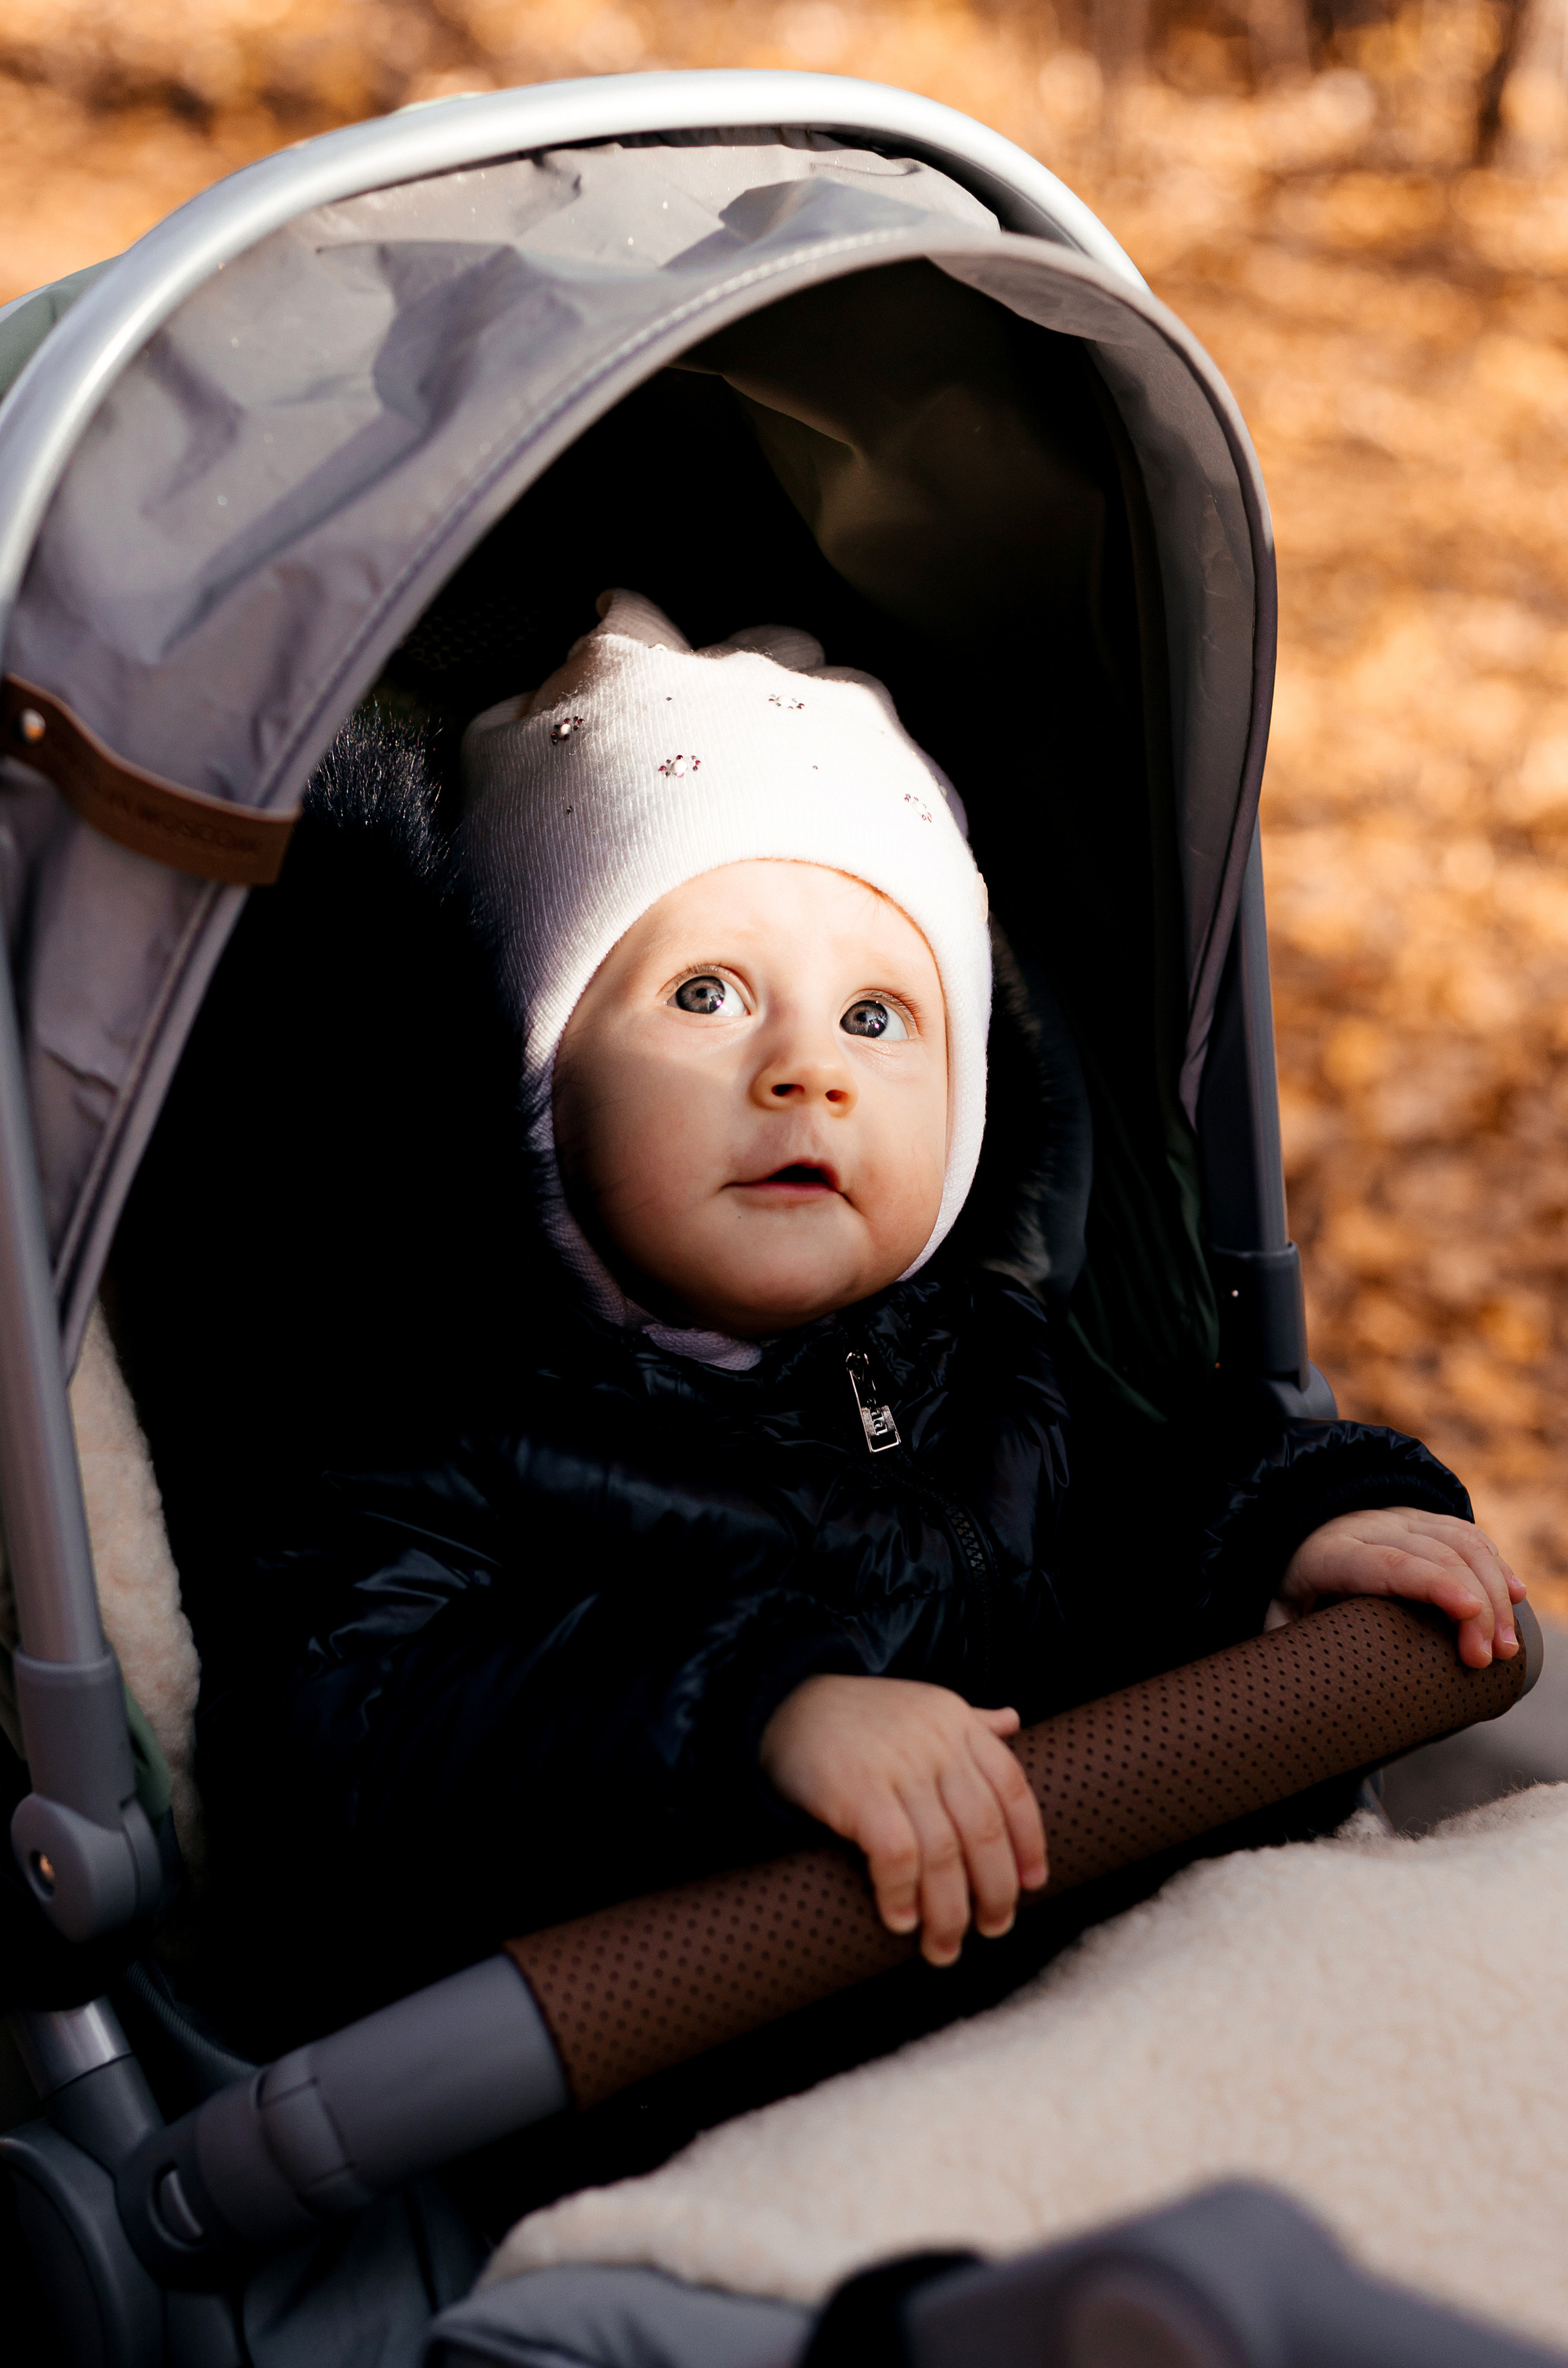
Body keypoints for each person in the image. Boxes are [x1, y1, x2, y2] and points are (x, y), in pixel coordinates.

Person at [197, 591, 1523, 2028]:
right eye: (707, 995)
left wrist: (1281, 1530)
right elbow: (347, 1728)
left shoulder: (975, 1358)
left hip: (1069, 1970)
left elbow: (1123, 1521)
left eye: (875, 1019)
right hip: (691, 2048)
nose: (805, 1071)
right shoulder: (435, 1404)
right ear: (531, 1080)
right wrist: (753, 1715)